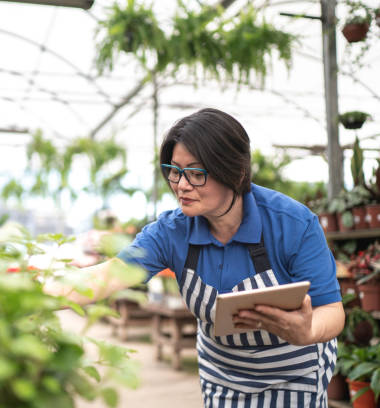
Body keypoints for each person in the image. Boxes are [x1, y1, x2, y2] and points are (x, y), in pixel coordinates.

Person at [45, 108, 344, 407]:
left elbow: (331, 310)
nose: (182, 185)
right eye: (175, 170)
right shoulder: (172, 232)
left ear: (236, 172)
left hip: (293, 370)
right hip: (223, 372)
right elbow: (108, 275)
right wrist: (31, 297)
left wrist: (308, 330)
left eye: (197, 173)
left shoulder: (292, 223)